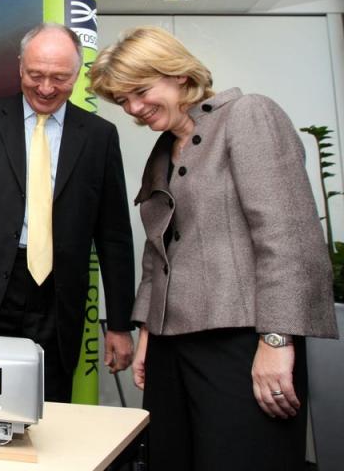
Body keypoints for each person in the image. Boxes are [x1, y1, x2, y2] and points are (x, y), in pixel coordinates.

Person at [88, 26, 338, 471]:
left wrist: (277, 340)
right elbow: (157, 254)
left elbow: (287, 237)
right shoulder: (164, 149)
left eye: (140, 92)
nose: (134, 108)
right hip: (170, 346)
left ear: (179, 76)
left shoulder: (248, 115)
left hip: (241, 343)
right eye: (123, 100)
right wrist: (147, 331)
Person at [0, 23, 136, 402]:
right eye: (36, 75)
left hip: (57, 296)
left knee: (47, 406)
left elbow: (114, 236)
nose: (46, 88)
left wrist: (118, 324)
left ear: (78, 73)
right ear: (20, 67)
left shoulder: (99, 137)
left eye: (60, 78)